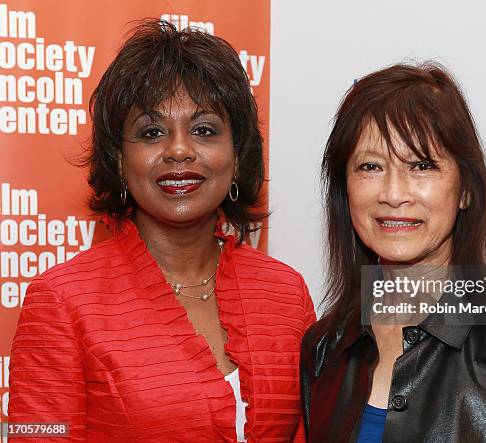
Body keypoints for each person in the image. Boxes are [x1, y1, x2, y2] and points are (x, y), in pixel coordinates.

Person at [9, 20, 315, 442]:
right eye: (151, 132)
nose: (178, 149)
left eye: (204, 130)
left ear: (238, 155)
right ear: (118, 160)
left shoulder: (286, 293)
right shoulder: (60, 300)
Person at [300, 63, 486, 442]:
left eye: (422, 165)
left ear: (465, 190)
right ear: (344, 191)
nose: (394, 194)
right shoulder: (323, 347)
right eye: (370, 166)